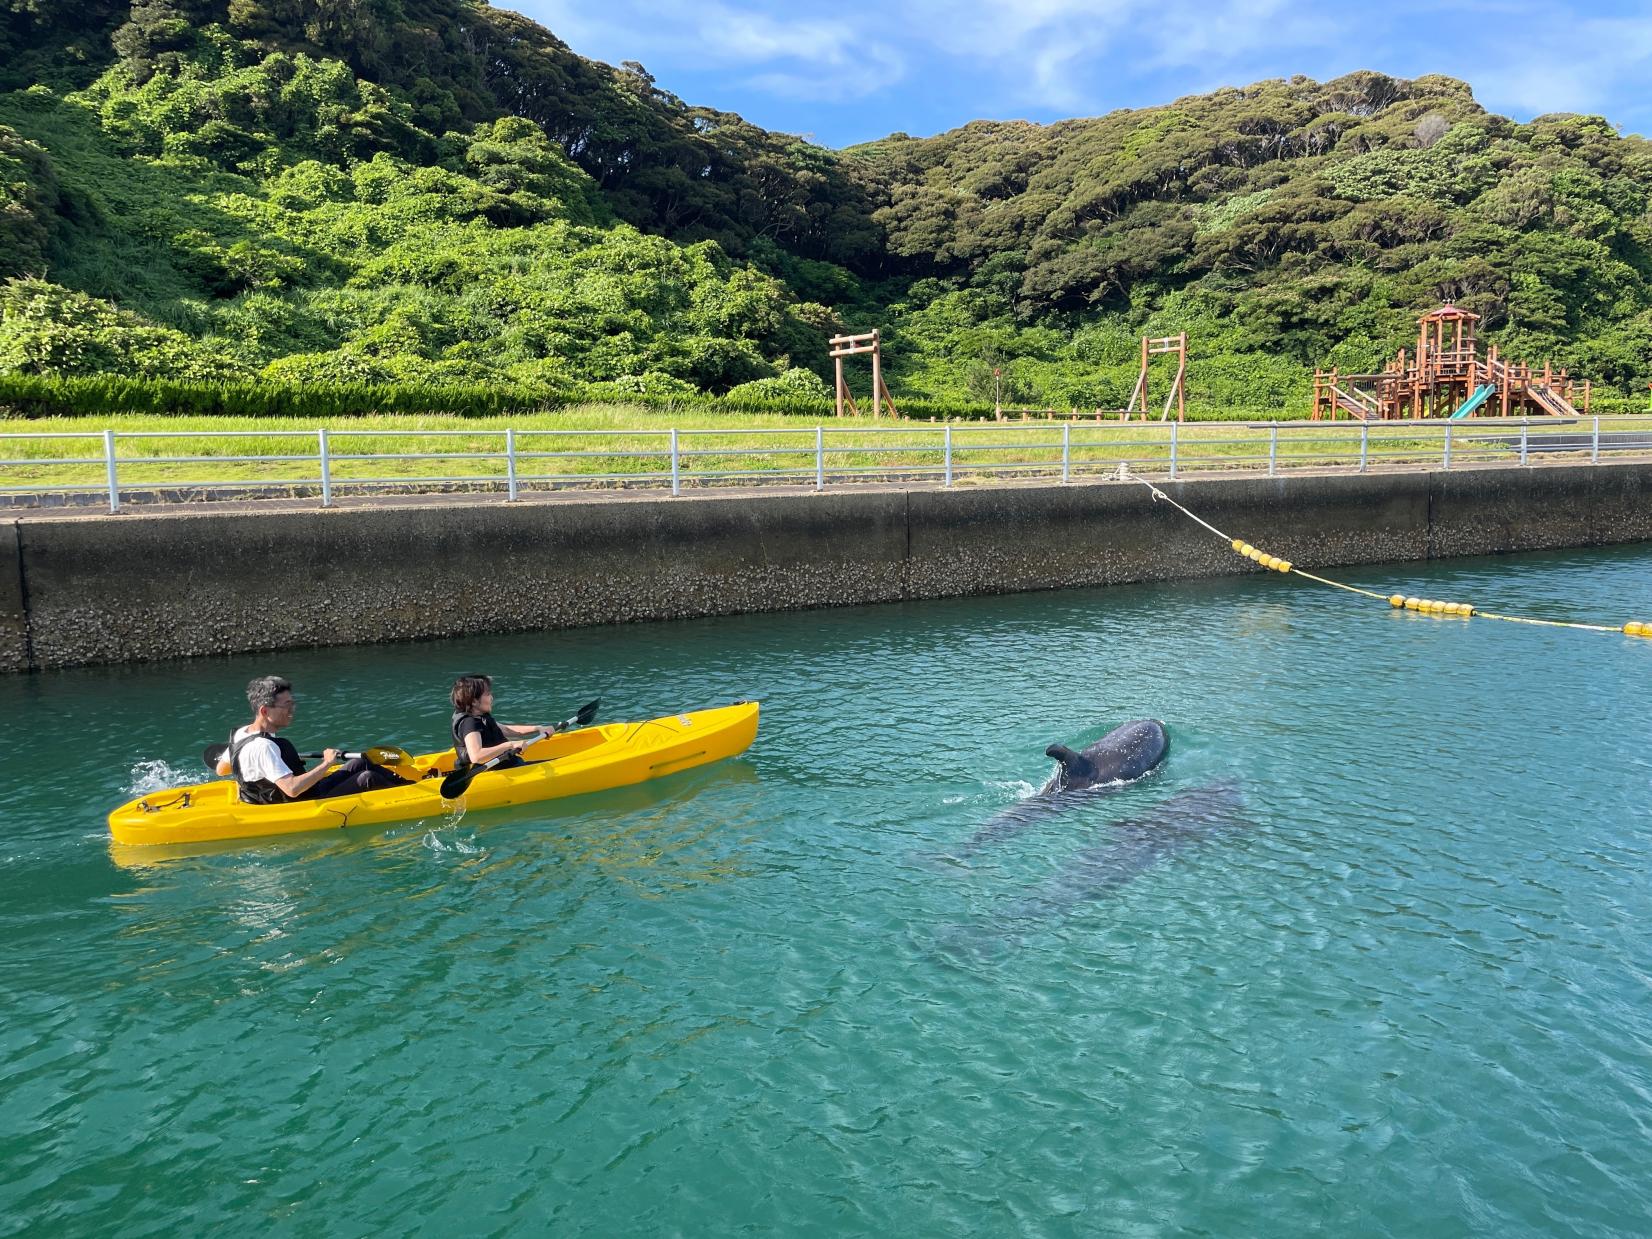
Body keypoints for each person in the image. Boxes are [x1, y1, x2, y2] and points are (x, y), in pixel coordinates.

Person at [215, 675, 411, 804]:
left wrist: (261, 766)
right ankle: (409, 800)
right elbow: (292, 789)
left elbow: (222, 769)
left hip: (291, 793)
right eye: (286, 706)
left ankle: (409, 786)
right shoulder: (264, 747)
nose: (292, 711)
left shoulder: (241, 734)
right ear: (265, 711)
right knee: (368, 779)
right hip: (298, 802)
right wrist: (326, 763)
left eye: (292, 704)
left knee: (361, 762)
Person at [450, 674, 559, 773]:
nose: (491, 698)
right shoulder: (469, 723)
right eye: (487, 694)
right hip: (493, 773)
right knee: (556, 766)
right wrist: (511, 745)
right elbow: (476, 756)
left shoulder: (480, 717)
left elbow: (505, 729)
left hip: (506, 767)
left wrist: (538, 728)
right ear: (474, 701)